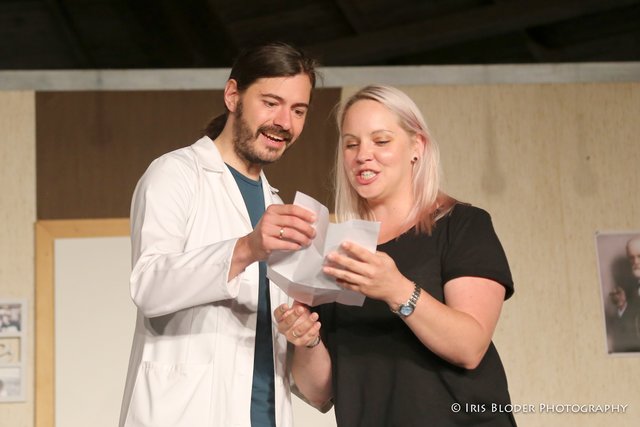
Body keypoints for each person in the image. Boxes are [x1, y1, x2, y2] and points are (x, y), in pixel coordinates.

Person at [275, 85, 517, 426]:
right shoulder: (335, 249)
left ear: (417, 147)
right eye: (351, 144)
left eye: (381, 141)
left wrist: (397, 289)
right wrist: (307, 339)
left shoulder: (462, 225)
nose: (363, 155)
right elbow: (319, 393)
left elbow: (469, 348)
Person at [119, 42, 320, 427]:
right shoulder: (176, 174)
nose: (284, 122)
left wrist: (302, 328)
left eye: (298, 110)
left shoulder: (276, 204)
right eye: (271, 102)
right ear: (233, 96)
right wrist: (246, 248)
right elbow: (148, 285)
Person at [606, 286, 640, 352]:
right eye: (613, 294)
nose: (616, 297)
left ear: (624, 295)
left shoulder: (635, 310)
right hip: (620, 350)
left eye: (618, 293)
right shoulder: (613, 315)